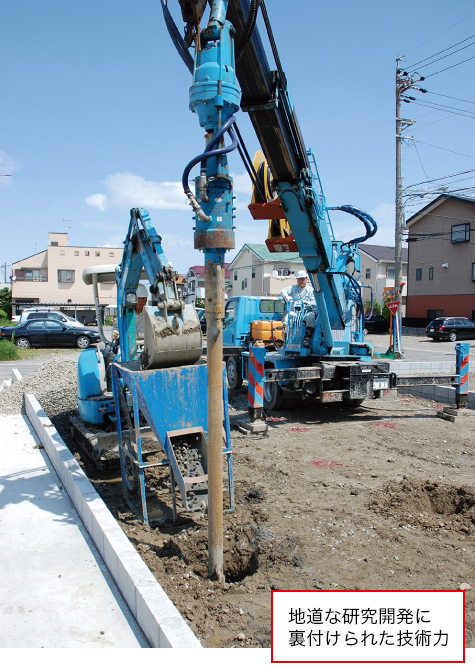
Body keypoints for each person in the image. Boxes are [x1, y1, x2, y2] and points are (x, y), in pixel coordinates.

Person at [280, 270, 316, 348]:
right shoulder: (293, 288)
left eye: (303, 279)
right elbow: (283, 291)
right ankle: (284, 336)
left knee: (311, 317)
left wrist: (306, 303)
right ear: (297, 280)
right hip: (295, 311)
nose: (301, 281)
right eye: (299, 279)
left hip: (306, 311)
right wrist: (288, 298)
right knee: (287, 317)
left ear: (306, 279)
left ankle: (307, 337)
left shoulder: (311, 290)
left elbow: (315, 301)